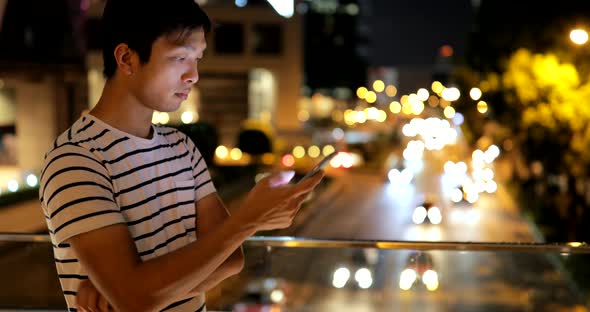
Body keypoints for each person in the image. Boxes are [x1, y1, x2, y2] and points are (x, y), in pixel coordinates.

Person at [38, 1, 324, 311]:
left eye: (197, 59)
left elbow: (229, 259)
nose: (194, 75)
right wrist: (248, 219)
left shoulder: (182, 147)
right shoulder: (76, 160)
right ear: (126, 58)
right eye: (180, 57)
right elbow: (137, 299)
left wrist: (135, 292)